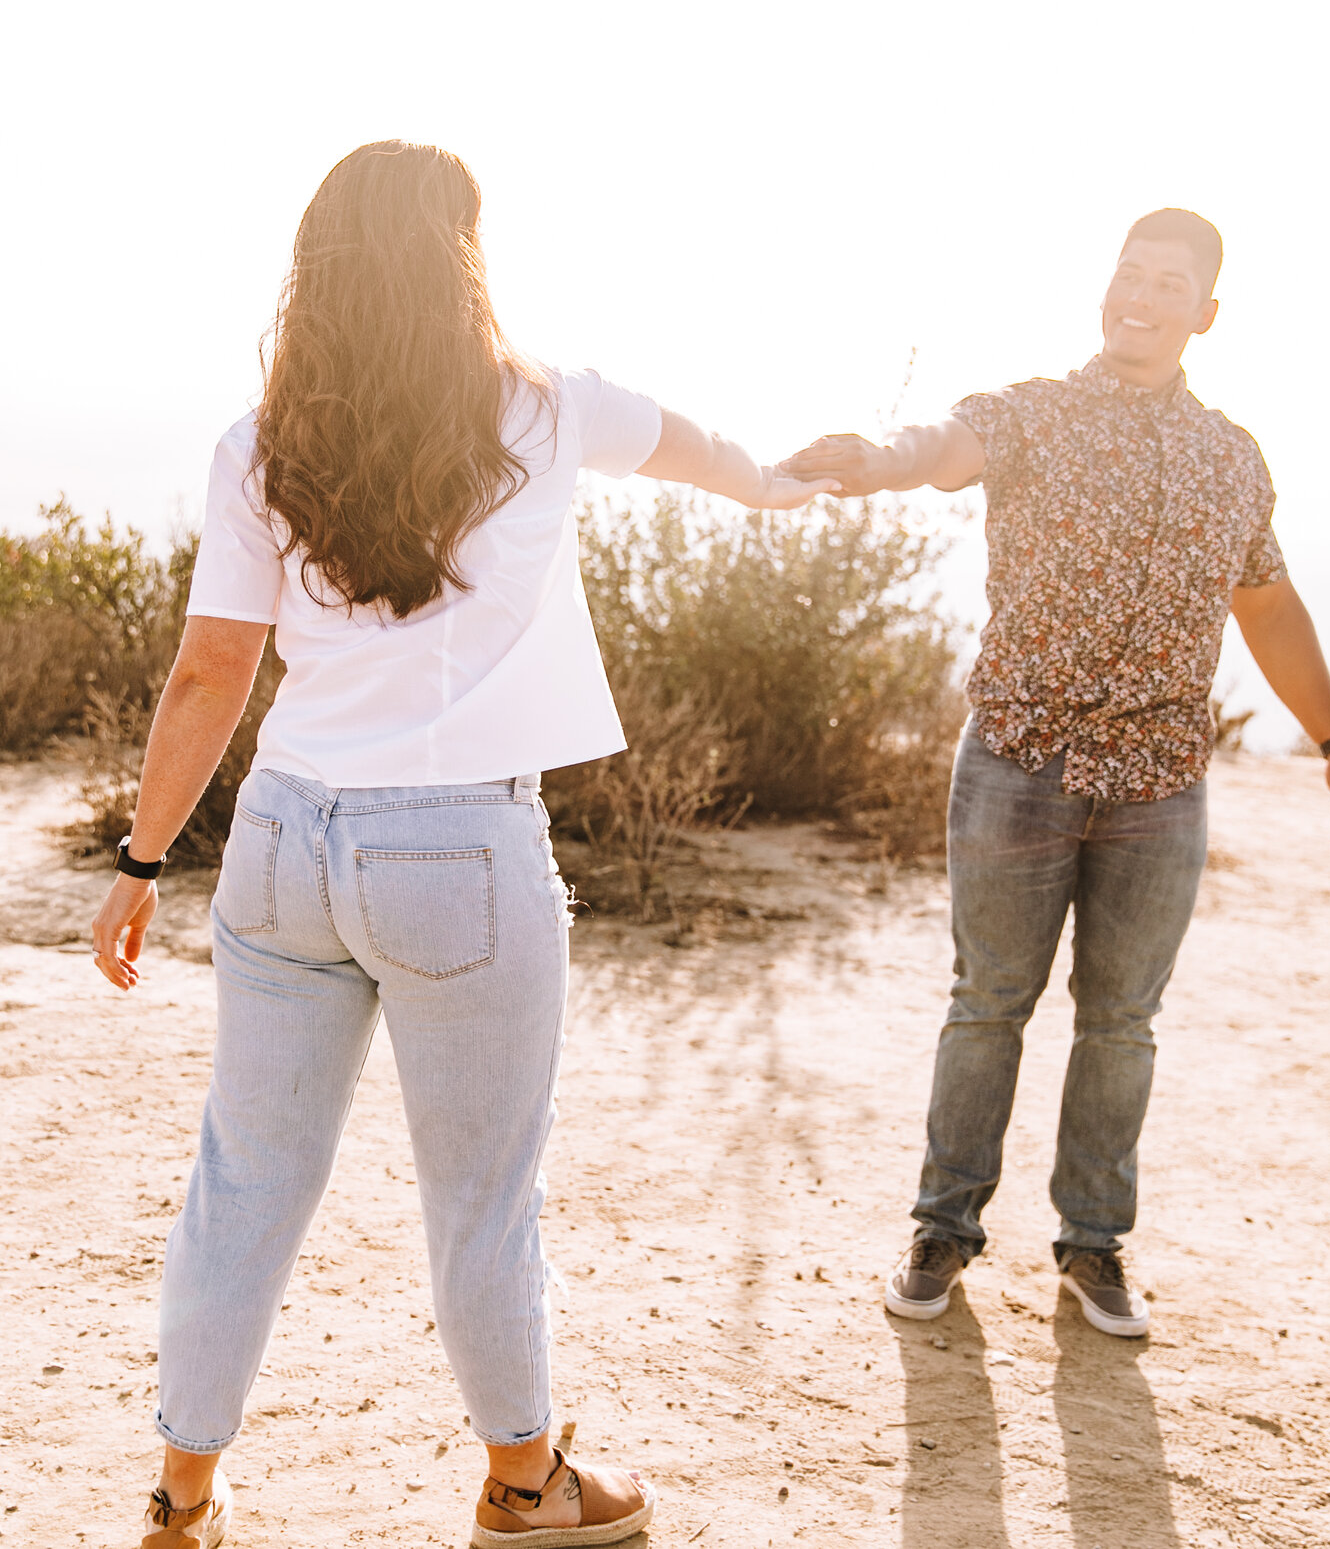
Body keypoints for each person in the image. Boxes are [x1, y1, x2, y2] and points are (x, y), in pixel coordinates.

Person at [92, 139, 837, 1549]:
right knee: (483, 1192)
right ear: (461, 257)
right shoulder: (548, 410)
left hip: (282, 836)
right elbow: (714, 459)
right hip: (457, 848)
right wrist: (793, 486)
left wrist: (140, 862)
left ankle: (181, 1495)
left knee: (243, 1176)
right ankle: (524, 1481)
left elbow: (208, 671)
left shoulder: (259, 443)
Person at [780, 209, 1330, 1340]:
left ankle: (1093, 1247)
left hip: (1160, 782)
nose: (1140, 297)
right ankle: (941, 1227)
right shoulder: (1036, 415)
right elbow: (942, 444)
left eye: (1169, 283)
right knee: (988, 1004)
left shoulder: (1232, 457)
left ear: (1205, 313)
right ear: (1105, 290)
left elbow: (1266, 602)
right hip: (1019, 761)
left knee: (1122, 1023)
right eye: (1127, 275)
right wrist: (876, 458)